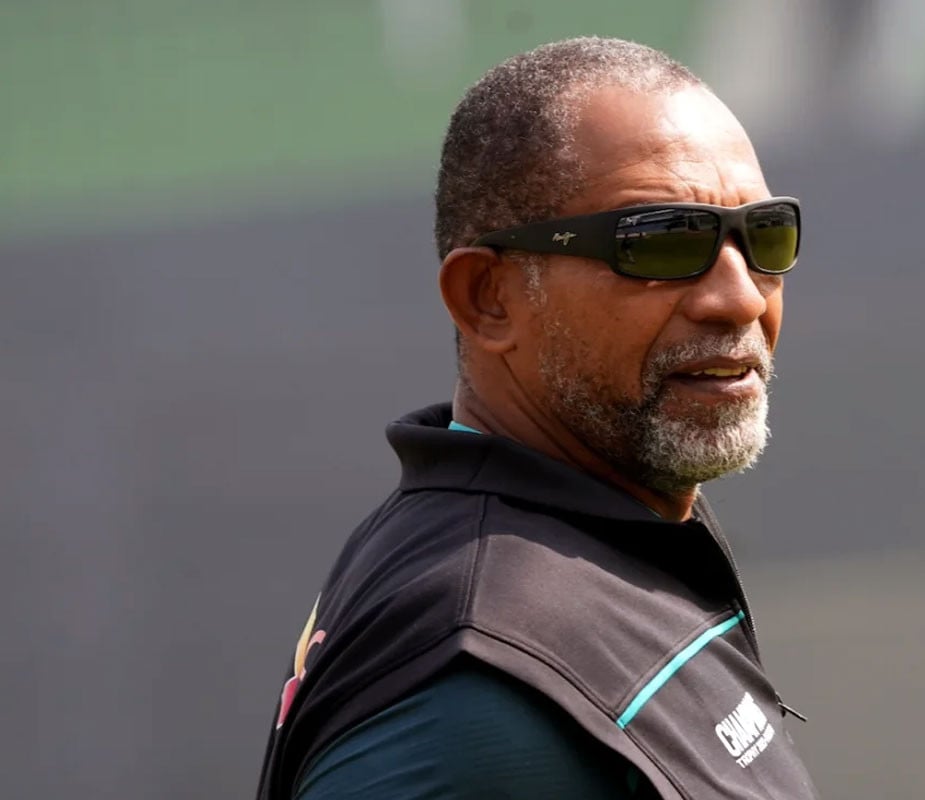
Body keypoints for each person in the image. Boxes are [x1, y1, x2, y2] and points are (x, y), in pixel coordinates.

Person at [256, 37, 816, 800]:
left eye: (764, 235)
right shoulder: (473, 694)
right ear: (488, 297)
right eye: (661, 242)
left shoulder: (614, 523)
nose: (741, 297)